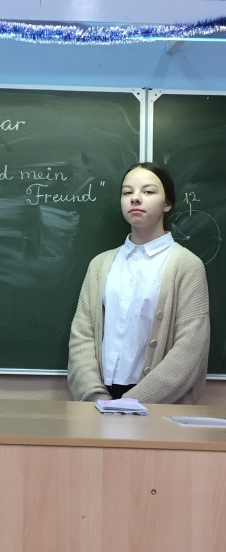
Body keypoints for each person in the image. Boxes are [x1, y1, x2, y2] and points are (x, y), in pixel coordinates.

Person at [68, 162, 210, 404]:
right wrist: (95, 397)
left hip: (158, 403)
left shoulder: (187, 265)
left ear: (167, 204)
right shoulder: (100, 265)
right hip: (99, 401)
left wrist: (129, 405)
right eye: (127, 192)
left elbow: (190, 347)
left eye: (148, 191)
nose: (135, 198)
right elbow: (82, 335)